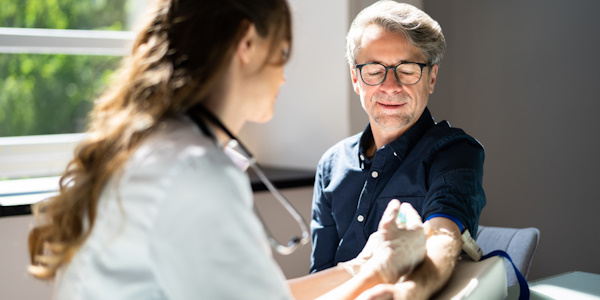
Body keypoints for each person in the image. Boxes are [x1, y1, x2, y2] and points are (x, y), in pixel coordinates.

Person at [26, 0, 428, 299]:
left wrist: (361, 266)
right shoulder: (195, 171)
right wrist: (383, 272)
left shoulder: (154, 149)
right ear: (247, 42)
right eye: (282, 53)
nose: (285, 77)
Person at [310, 1, 486, 299]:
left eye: (406, 70)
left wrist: (406, 293)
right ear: (356, 78)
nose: (390, 86)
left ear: (431, 78)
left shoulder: (454, 152)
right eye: (375, 70)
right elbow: (321, 274)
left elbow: (443, 237)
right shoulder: (331, 164)